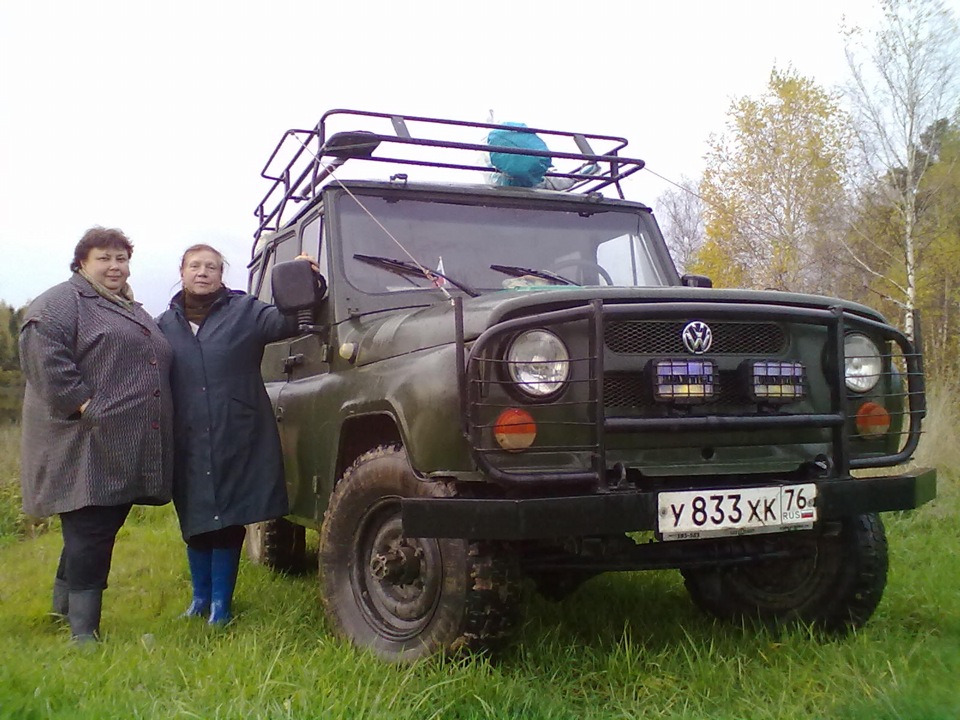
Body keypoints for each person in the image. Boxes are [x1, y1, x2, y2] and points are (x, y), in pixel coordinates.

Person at [19, 226, 174, 644]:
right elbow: (41, 350)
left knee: (92, 530)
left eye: (121, 258)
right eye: (104, 257)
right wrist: (83, 404)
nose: (114, 266)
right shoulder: (60, 303)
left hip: (117, 443)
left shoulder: (128, 307)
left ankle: (61, 608)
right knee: (90, 532)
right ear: (82, 262)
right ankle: (83, 635)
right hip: (82, 443)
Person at [156, 244, 307, 625]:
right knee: (193, 515)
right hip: (186, 435)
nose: (203, 272)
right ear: (182, 271)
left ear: (222, 275)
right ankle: (199, 599)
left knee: (228, 515)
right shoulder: (163, 324)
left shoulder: (247, 311)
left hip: (237, 430)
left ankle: (221, 606)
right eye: (195, 265)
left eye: (211, 267)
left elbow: (288, 321)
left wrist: (307, 279)